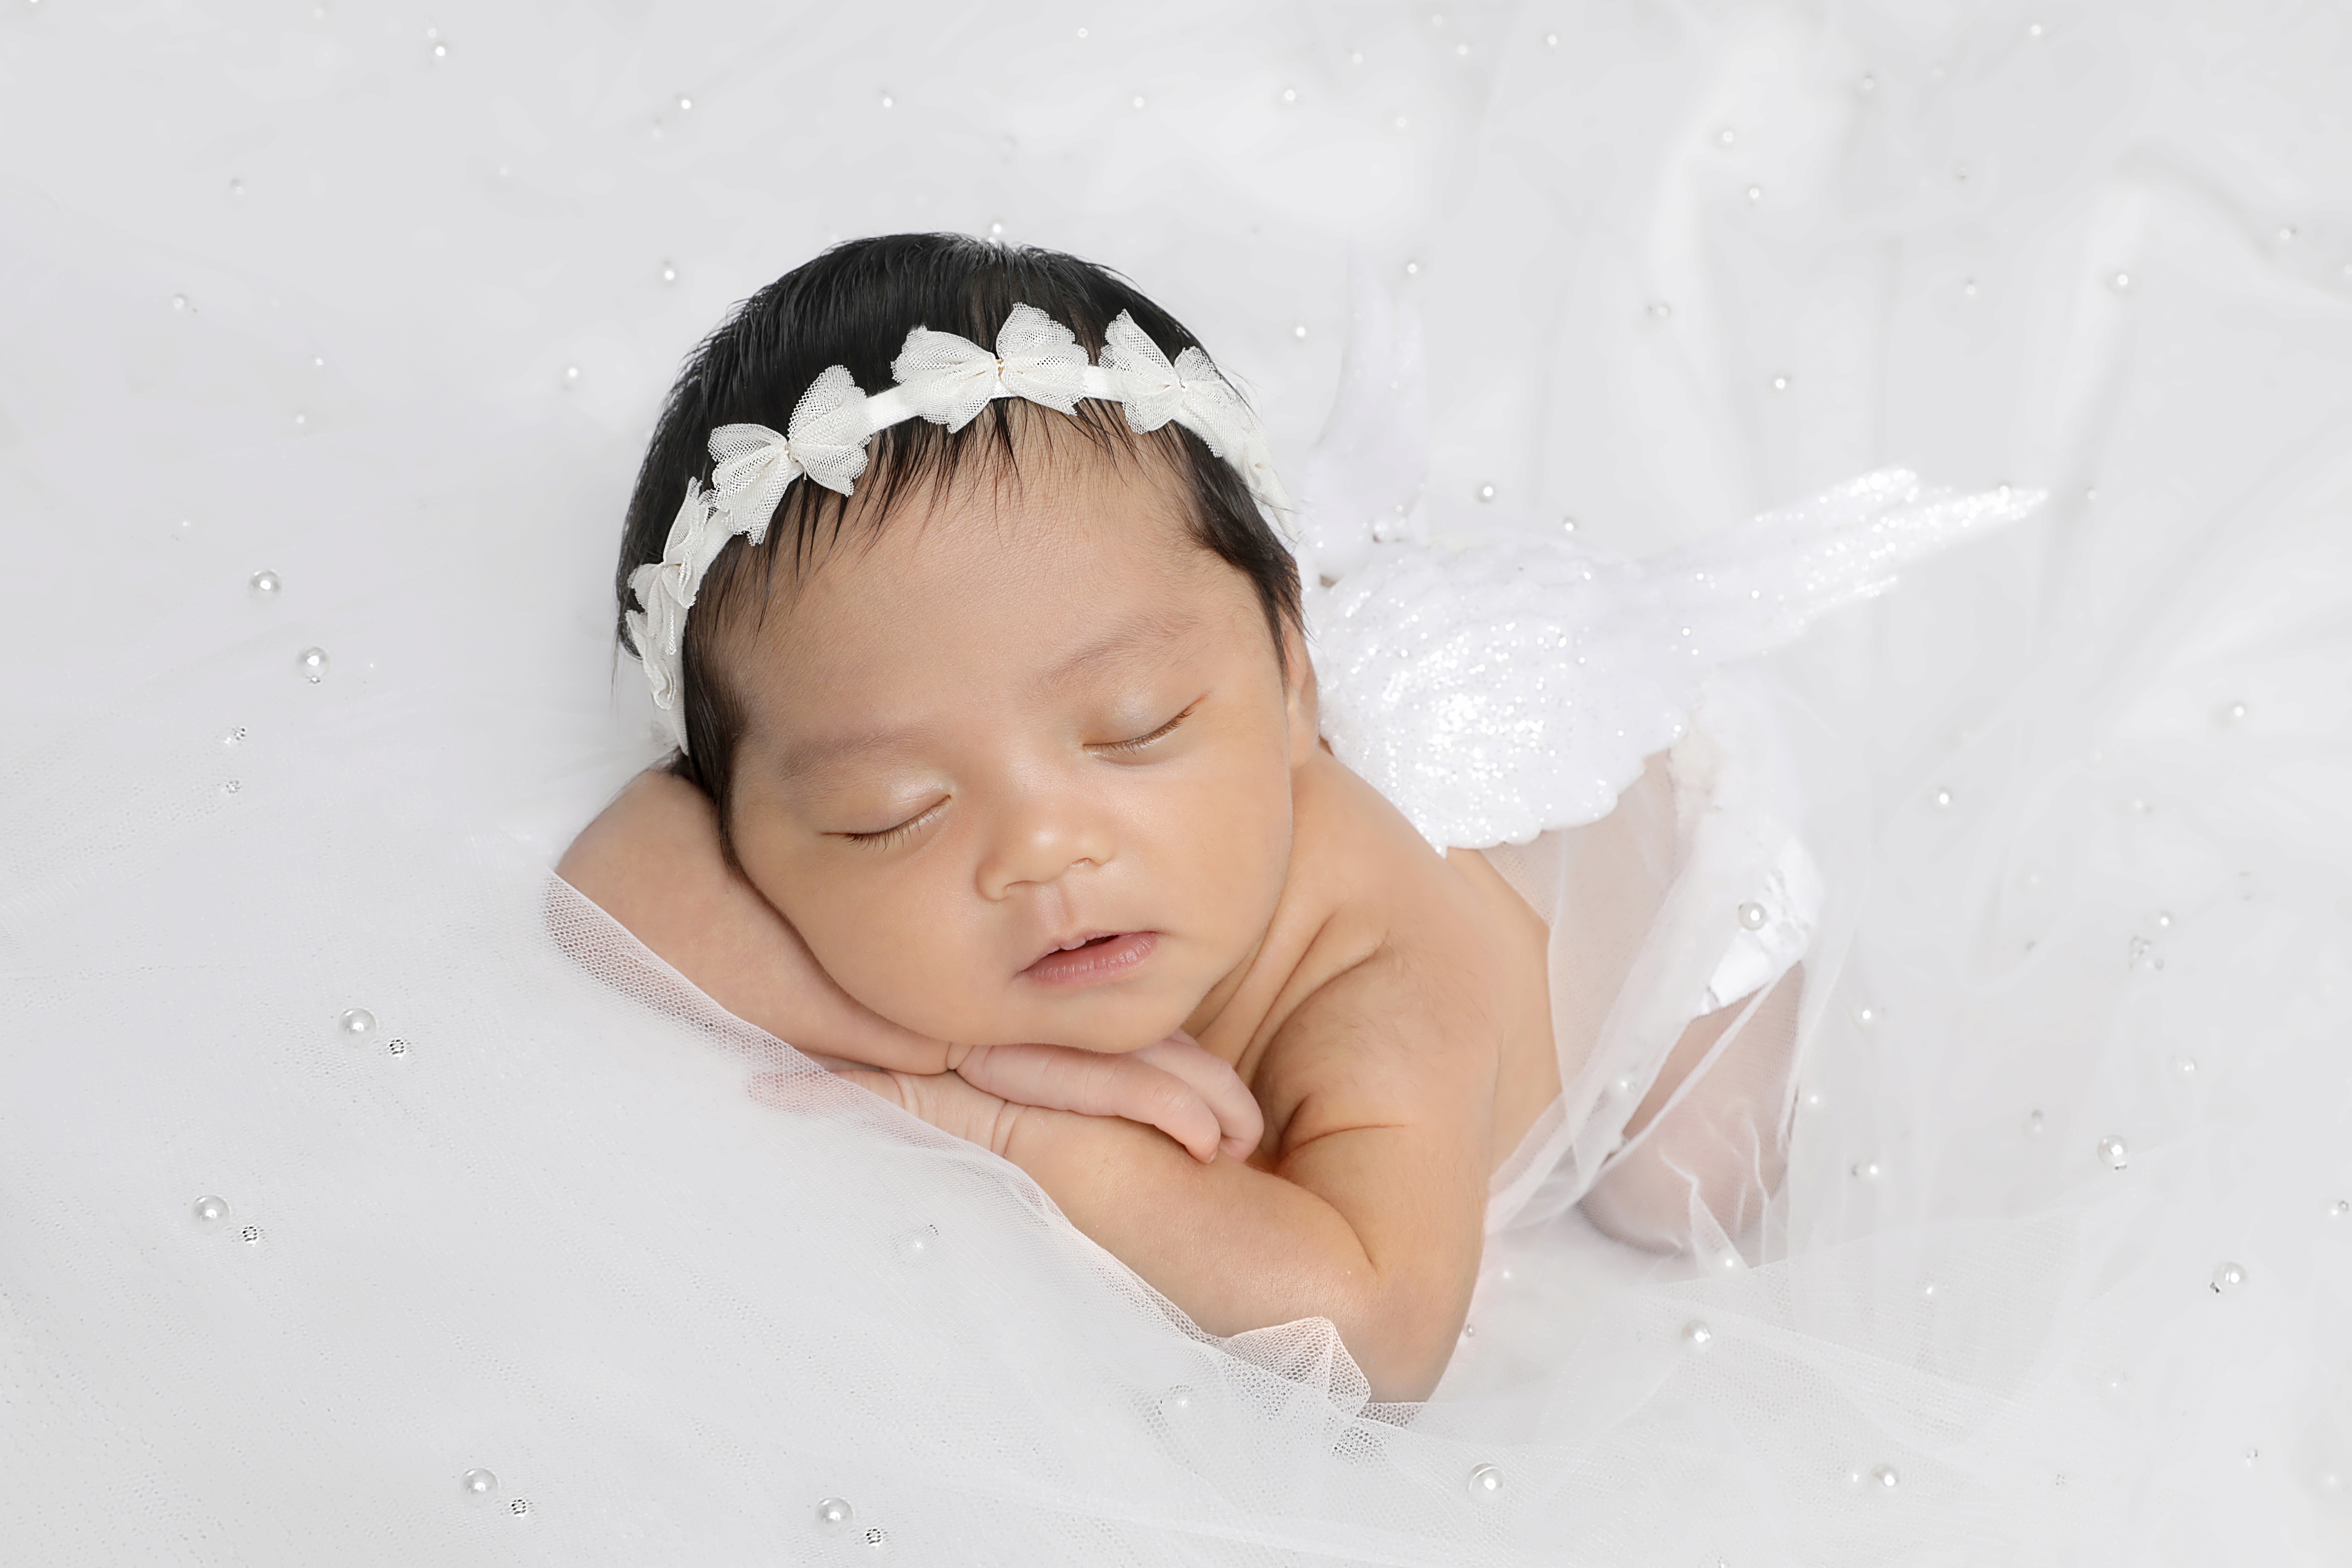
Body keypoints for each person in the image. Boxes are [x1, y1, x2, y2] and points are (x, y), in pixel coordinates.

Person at [555, 233, 2011, 1401]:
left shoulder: (1376, 972)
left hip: (1671, 906)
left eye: (1139, 729)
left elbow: (1379, 1327)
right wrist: (946, 1044)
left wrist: (1020, 1128)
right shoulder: (874, 806)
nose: (1043, 847)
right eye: (895, 814)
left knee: (1694, 1192)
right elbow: (609, 878)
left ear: (1291, 683)